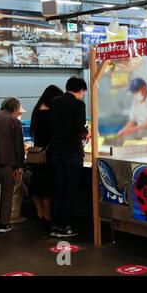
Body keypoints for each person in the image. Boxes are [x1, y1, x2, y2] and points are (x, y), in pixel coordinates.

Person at [49, 77, 90, 238]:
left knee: (58, 190)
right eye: (83, 92)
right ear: (80, 90)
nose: (83, 95)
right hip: (72, 153)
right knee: (70, 190)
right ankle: (65, 226)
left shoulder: (54, 102)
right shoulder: (78, 104)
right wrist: (87, 133)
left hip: (56, 153)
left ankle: (54, 225)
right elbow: (78, 128)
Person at [29, 85, 64, 231]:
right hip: (47, 156)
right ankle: (47, 220)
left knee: (36, 188)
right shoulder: (48, 115)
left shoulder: (37, 111)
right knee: (47, 190)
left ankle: (40, 215)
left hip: (37, 155)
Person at [0, 98, 25, 233]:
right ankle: (4, 224)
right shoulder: (14, 121)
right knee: (7, 192)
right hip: (8, 163)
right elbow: (18, 146)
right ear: (15, 108)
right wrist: (19, 166)